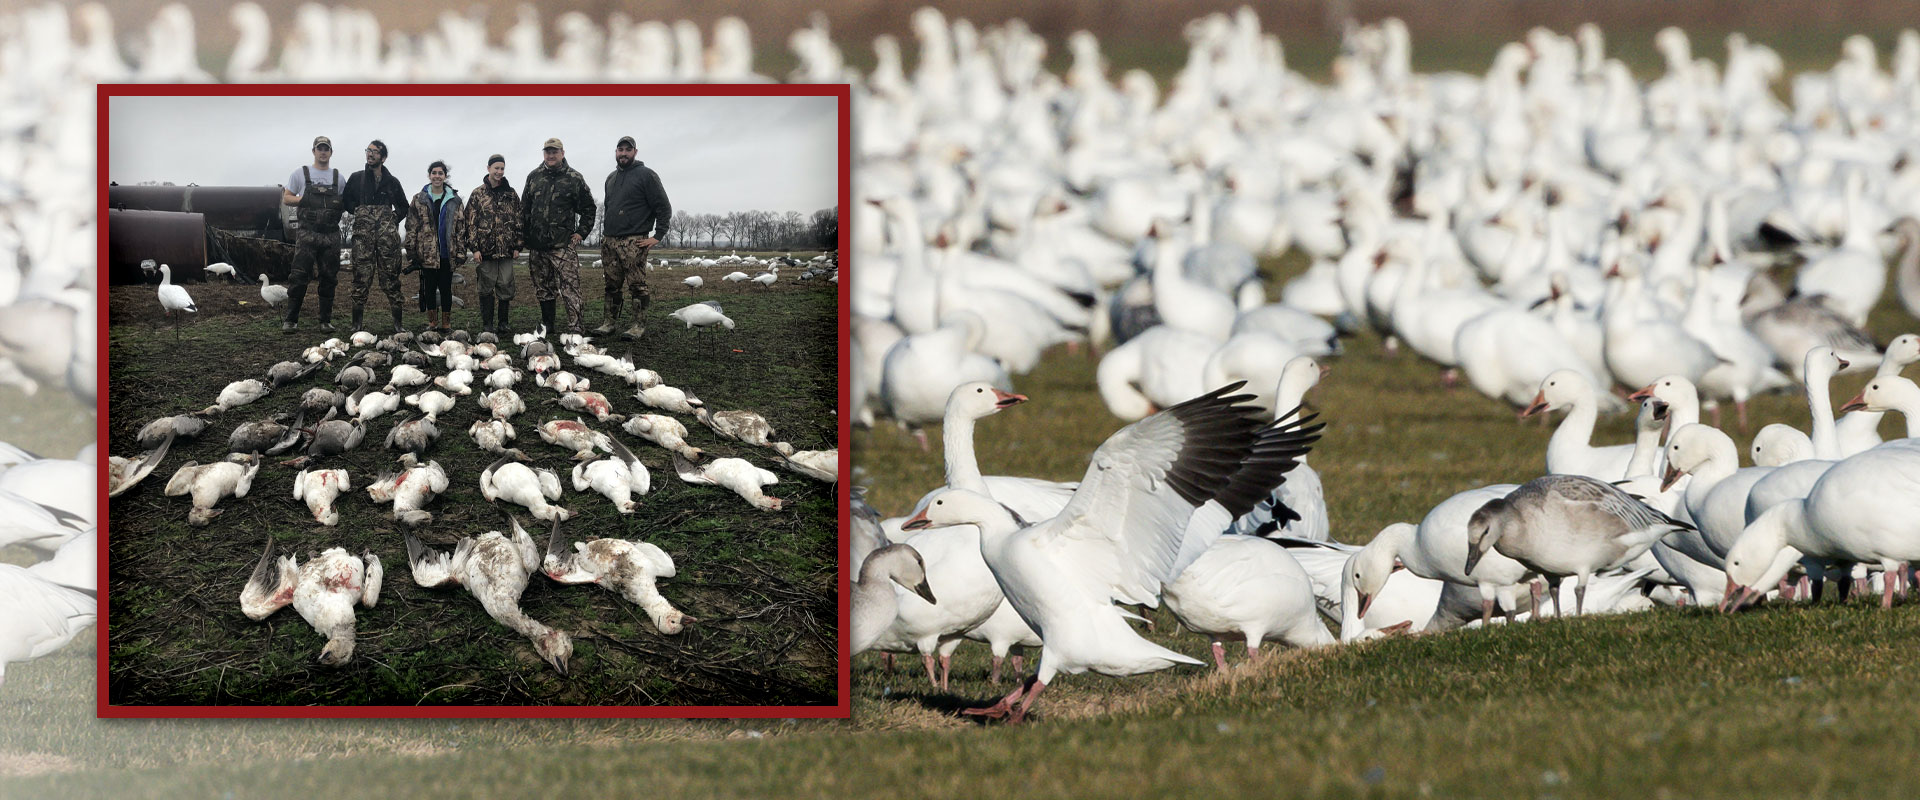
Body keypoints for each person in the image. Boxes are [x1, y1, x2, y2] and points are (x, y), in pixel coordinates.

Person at [596, 135, 672, 339]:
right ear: (616, 152)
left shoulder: (647, 175)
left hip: (634, 241)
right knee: (611, 285)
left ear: (635, 152)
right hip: (610, 240)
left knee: (637, 285)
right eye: (620, 150)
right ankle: (608, 323)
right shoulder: (611, 178)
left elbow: (663, 207)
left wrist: (658, 236)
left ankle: (638, 325)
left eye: (627, 150)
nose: (623, 153)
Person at [520, 137, 596, 335]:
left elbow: (589, 208)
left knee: (570, 287)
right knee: (543, 288)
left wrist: (581, 232)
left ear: (562, 153)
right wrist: (525, 237)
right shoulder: (533, 177)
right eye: (547, 152)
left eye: (555, 151)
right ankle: (548, 325)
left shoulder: (574, 178)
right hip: (537, 246)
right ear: (543, 154)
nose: (551, 155)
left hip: (563, 245)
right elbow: (524, 210)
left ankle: (575, 327)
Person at [341, 139, 409, 333]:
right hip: (363, 240)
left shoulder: (392, 182)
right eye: (368, 151)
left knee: (391, 279)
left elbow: (404, 207)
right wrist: (363, 214)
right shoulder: (356, 179)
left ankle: (398, 324)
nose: (370, 154)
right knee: (360, 278)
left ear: (383, 157)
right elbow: (347, 202)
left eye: (375, 152)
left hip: (388, 241)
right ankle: (357, 325)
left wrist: (391, 219)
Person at [280, 135, 345, 333]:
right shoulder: (300, 173)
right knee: (299, 276)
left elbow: (344, 203)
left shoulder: (338, 177)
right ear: (314, 151)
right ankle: (291, 320)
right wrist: (305, 200)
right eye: (320, 148)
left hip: (331, 236)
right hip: (307, 234)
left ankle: (325, 321)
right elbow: (286, 198)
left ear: (331, 152)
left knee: (329, 278)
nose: (323, 152)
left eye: (326, 149)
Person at [460, 154, 522, 334]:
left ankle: (503, 323)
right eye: (496, 168)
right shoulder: (478, 194)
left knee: (506, 285)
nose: (499, 172)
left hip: (507, 251)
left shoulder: (511, 194)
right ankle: (487, 324)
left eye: (502, 168)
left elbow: (519, 219)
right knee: (486, 286)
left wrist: (518, 246)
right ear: (488, 169)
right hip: (485, 251)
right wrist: (475, 248)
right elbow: (470, 222)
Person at [405, 160, 464, 333]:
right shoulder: (419, 199)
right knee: (429, 289)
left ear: (445, 176)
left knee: (446, 288)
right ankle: (432, 323)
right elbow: (411, 226)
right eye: (434, 173)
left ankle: (446, 324)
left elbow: (460, 228)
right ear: (429, 175)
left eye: (440, 173)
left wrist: (460, 251)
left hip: (447, 252)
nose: (437, 176)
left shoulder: (454, 199)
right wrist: (412, 251)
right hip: (426, 254)